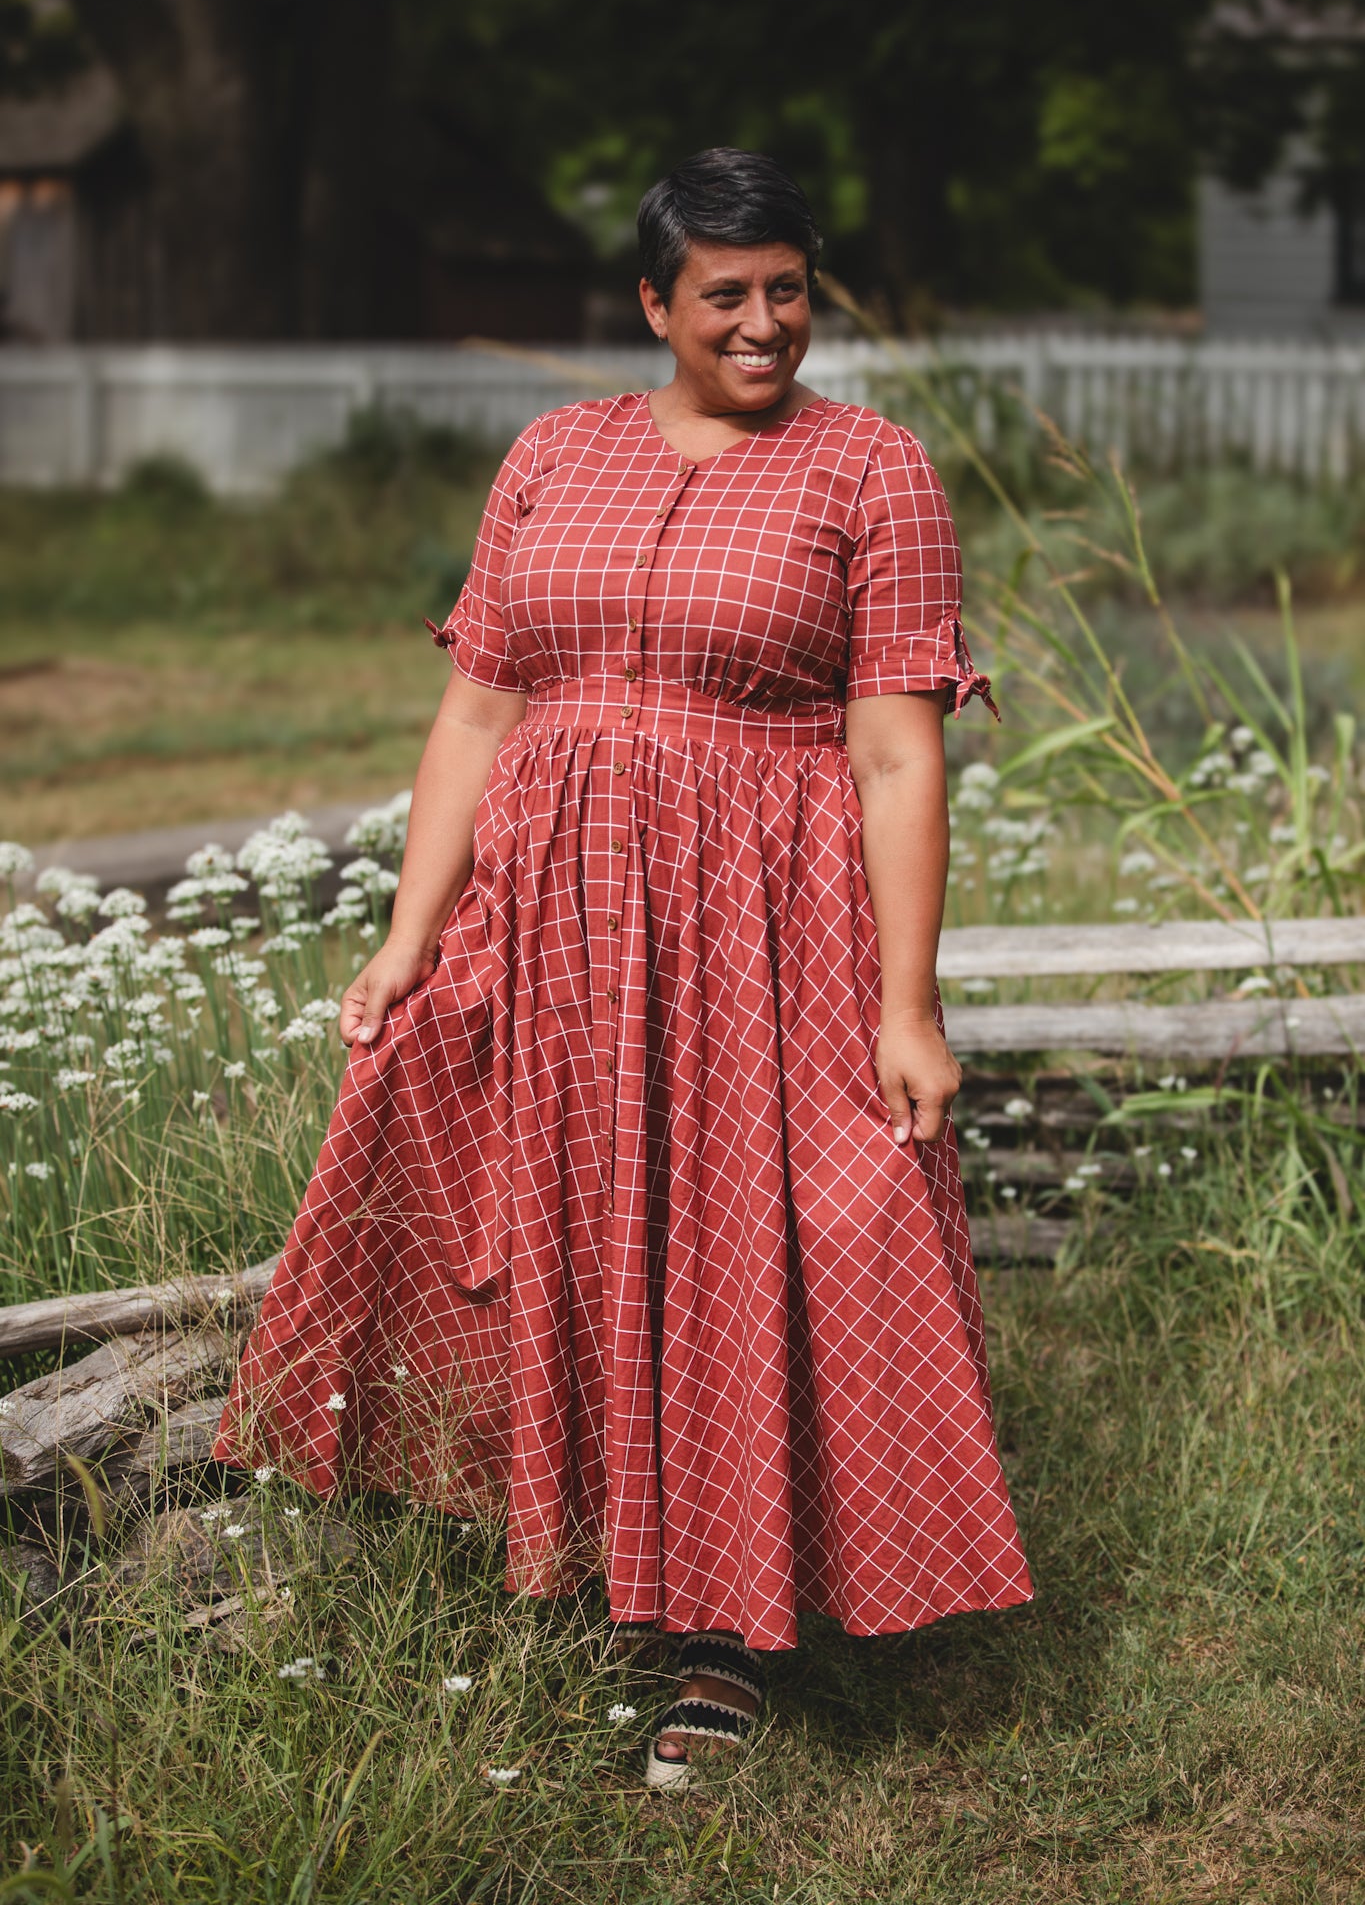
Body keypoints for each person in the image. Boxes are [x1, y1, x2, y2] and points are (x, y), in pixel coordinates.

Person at [215, 147, 1032, 1790]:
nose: (760, 324)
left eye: (785, 290)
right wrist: (406, 933)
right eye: (722, 295)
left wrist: (907, 1000)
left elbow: (894, 758)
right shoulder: (552, 454)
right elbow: (479, 707)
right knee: (550, 1216)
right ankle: (571, 1547)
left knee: (750, 1243)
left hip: (762, 925)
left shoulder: (869, 469)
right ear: (654, 305)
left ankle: (724, 1646)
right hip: (554, 912)